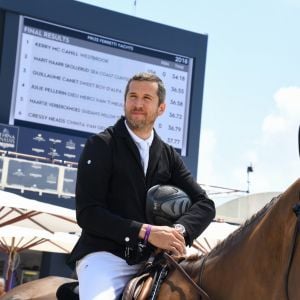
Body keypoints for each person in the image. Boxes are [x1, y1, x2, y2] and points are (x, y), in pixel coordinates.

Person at [69, 72, 215, 299]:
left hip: (156, 261)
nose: (138, 104)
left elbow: (205, 204)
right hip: (105, 258)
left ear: (161, 108)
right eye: (133, 96)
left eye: (147, 98)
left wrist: (177, 233)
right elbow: (88, 213)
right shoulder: (100, 144)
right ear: (125, 101)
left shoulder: (169, 155)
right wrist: (146, 232)